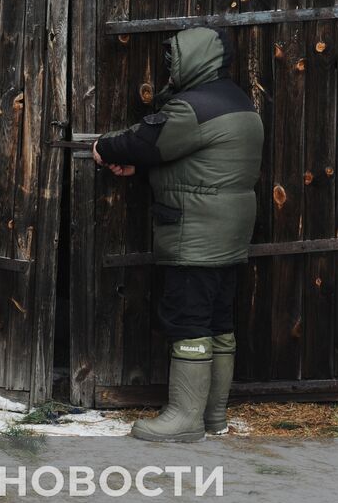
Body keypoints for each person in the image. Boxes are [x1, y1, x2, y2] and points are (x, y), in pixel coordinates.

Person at [92, 25, 264, 443]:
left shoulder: (193, 107)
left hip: (195, 235)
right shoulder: (237, 101)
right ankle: (213, 417)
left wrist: (105, 148)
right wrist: (145, 167)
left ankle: (183, 419)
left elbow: (145, 141)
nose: (169, 68)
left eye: (174, 59)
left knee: (187, 321)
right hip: (228, 232)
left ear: (194, 59)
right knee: (218, 322)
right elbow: (201, 158)